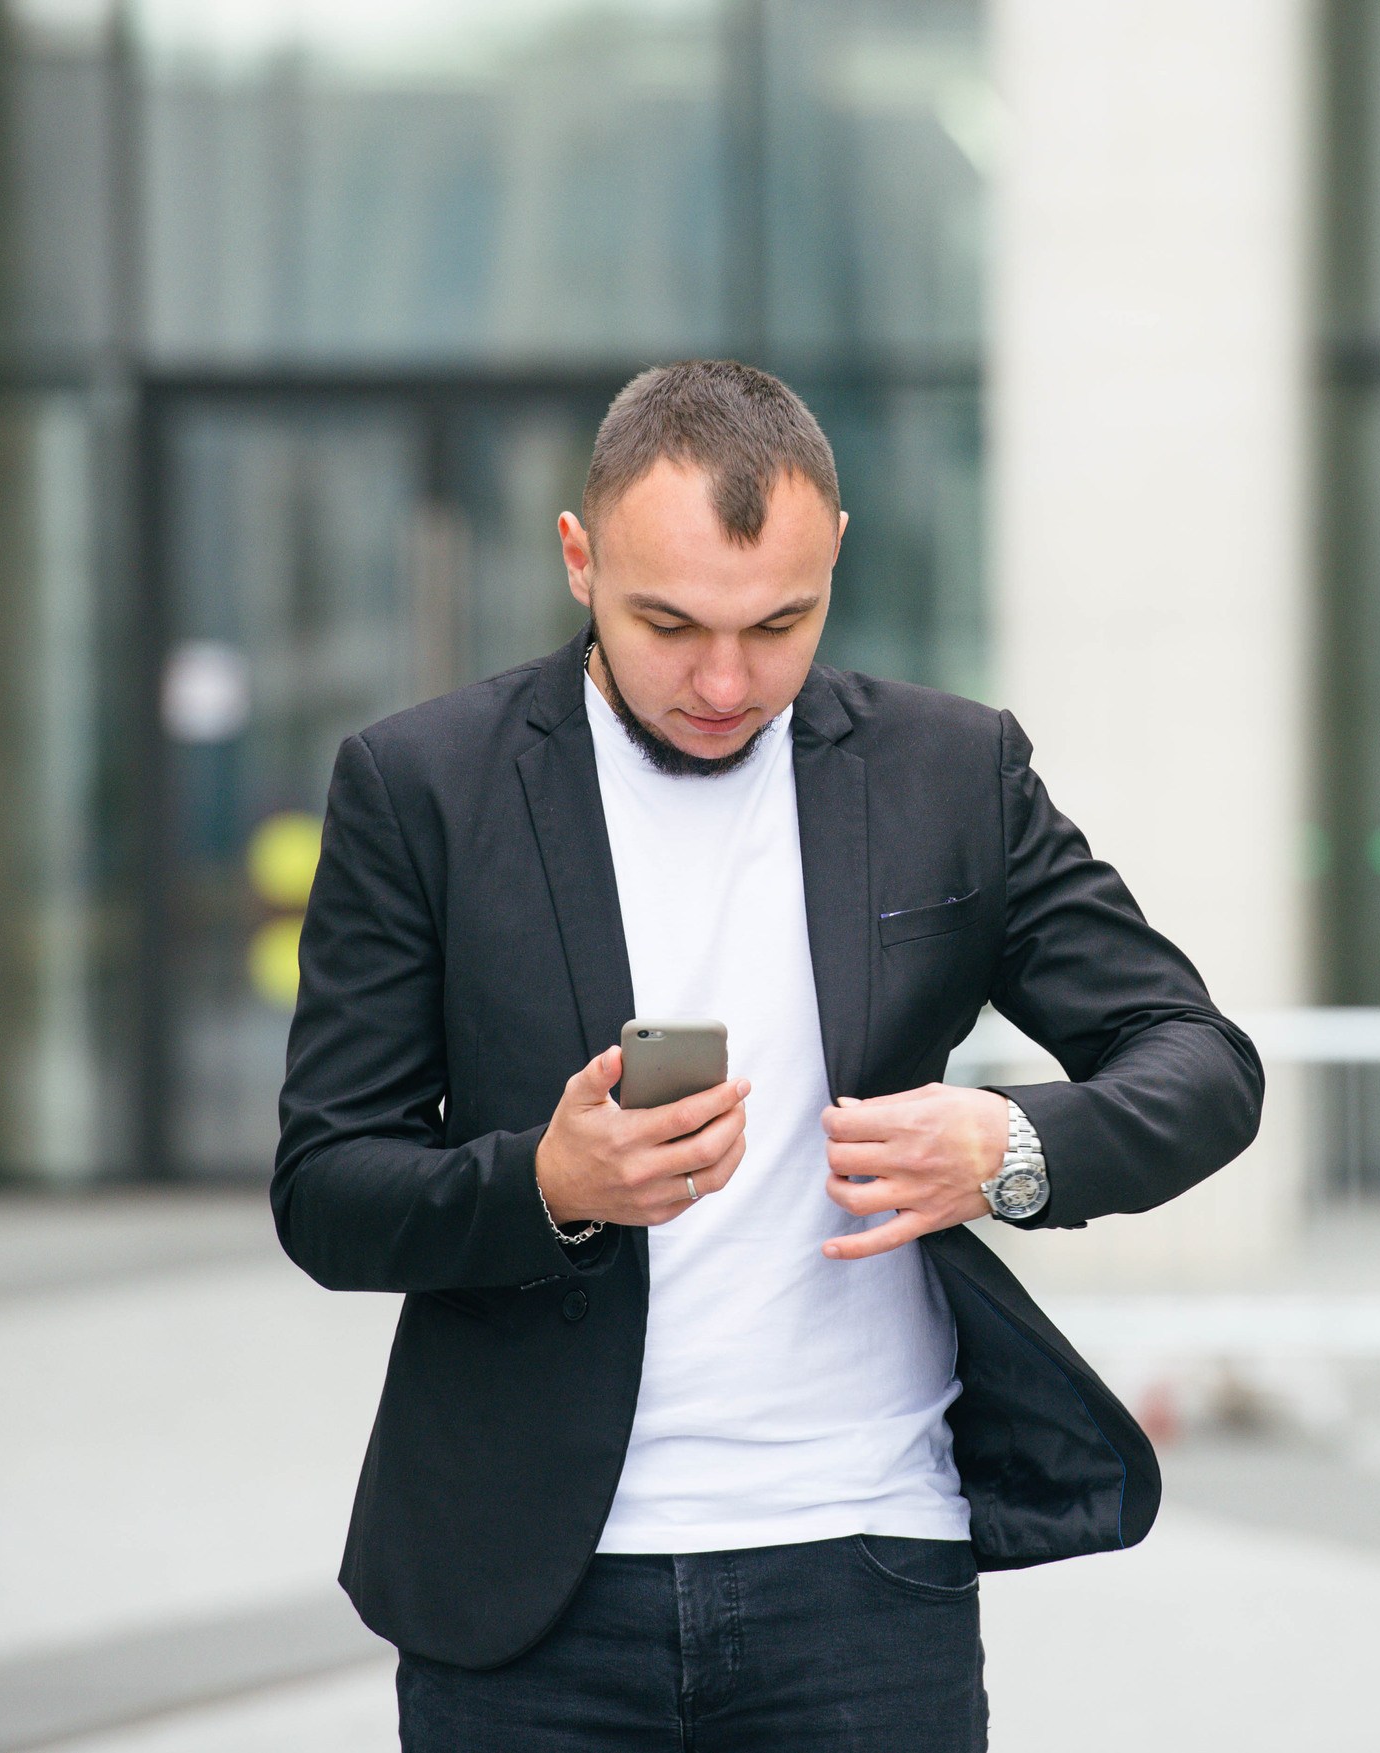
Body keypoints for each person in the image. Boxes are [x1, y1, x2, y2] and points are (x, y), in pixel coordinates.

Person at [273, 359, 1263, 1751]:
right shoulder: (422, 786)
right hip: (529, 1590)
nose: (726, 680)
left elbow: (1201, 1060)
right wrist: (547, 1184)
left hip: (866, 1564)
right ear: (578, 558)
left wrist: (1011, 1147)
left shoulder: (950, 772)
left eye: (779, 623)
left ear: (836, 556)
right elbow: (326, 1187)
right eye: (669, 624)